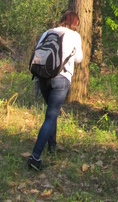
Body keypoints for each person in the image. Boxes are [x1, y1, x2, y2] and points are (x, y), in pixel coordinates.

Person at [28, 10, 83, 171]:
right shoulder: (74, 36)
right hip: (62, 78)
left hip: (43, 76)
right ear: (75, 23)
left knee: (52, 113)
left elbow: (38, 52)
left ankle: (52, 147)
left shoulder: (48, 32)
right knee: (51, 116)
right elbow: (79, 59)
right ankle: (35, 156)